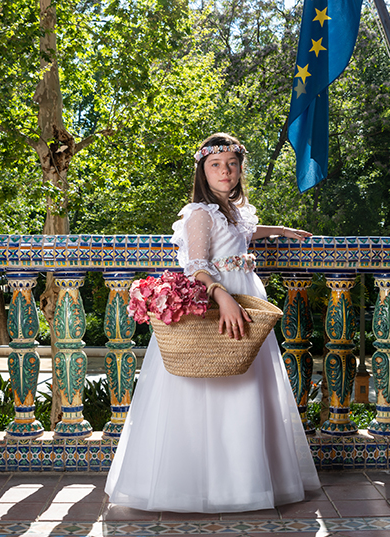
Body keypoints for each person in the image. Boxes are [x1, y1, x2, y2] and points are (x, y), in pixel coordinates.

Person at [105, 133, 320, 513]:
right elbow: (197, 264)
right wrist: (222, 296)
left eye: (232, 164)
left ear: (240, 169)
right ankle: (202, 485)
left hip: (245, 293)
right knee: (211, 386)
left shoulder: (231, 210)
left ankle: (244, 481)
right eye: (216, 165)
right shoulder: (200, 212)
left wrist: (280, 231)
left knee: (247, 385)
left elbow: (242, 233)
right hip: (220, 298)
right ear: (203, 171)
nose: (226, 171)